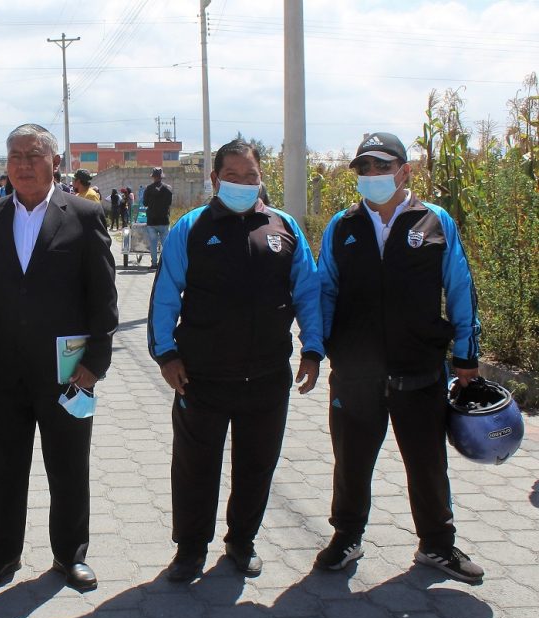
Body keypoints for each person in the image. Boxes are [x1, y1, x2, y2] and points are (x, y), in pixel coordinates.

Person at [148, 139, 323, 583]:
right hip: (201, 376)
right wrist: (166, 353)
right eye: (233, 176)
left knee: (256, 464)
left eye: (251, 177)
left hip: (266, 375)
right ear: (215, 179)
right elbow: (165, 294)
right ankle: (189, 549)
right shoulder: (192, 227)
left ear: (261, 178)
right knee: (194, 467)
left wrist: (313, 349)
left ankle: (241, 542)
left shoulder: (283, 227)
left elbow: (308, 290)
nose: (243, 184)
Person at [315, 132, 484, 584]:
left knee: (427, 463)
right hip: (355, 377)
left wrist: (467, 354)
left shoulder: (434, 221)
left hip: (421, 370)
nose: (372, 176)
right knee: (351, 462)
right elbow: (324, 291)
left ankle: (437, 544)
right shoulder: (342, 226)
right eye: (364, 169)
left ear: (405, 171)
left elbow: (460, 288)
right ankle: (346, 537)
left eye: (382, 167)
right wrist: (324, 348)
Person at [0, 124, 118, 592]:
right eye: (14, 155)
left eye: (33, 155)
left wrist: (95, 362)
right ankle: (1, 557)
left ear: (54, 161)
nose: (23, 164)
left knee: (69, 465)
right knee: (4, 468)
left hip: (70, 370)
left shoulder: (85, 214)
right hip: (4, 372)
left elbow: (104, 298)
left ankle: (70, 556)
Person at [142, 167, 173, 269]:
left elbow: (145, 203)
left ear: (153, 177)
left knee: (153, 244)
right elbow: (169, 203)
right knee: (166, 244)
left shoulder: (148, 189)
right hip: (164, 220)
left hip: (152, 221)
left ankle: (154, 264)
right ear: (161, 177)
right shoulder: (168, 188)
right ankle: (167, 264)